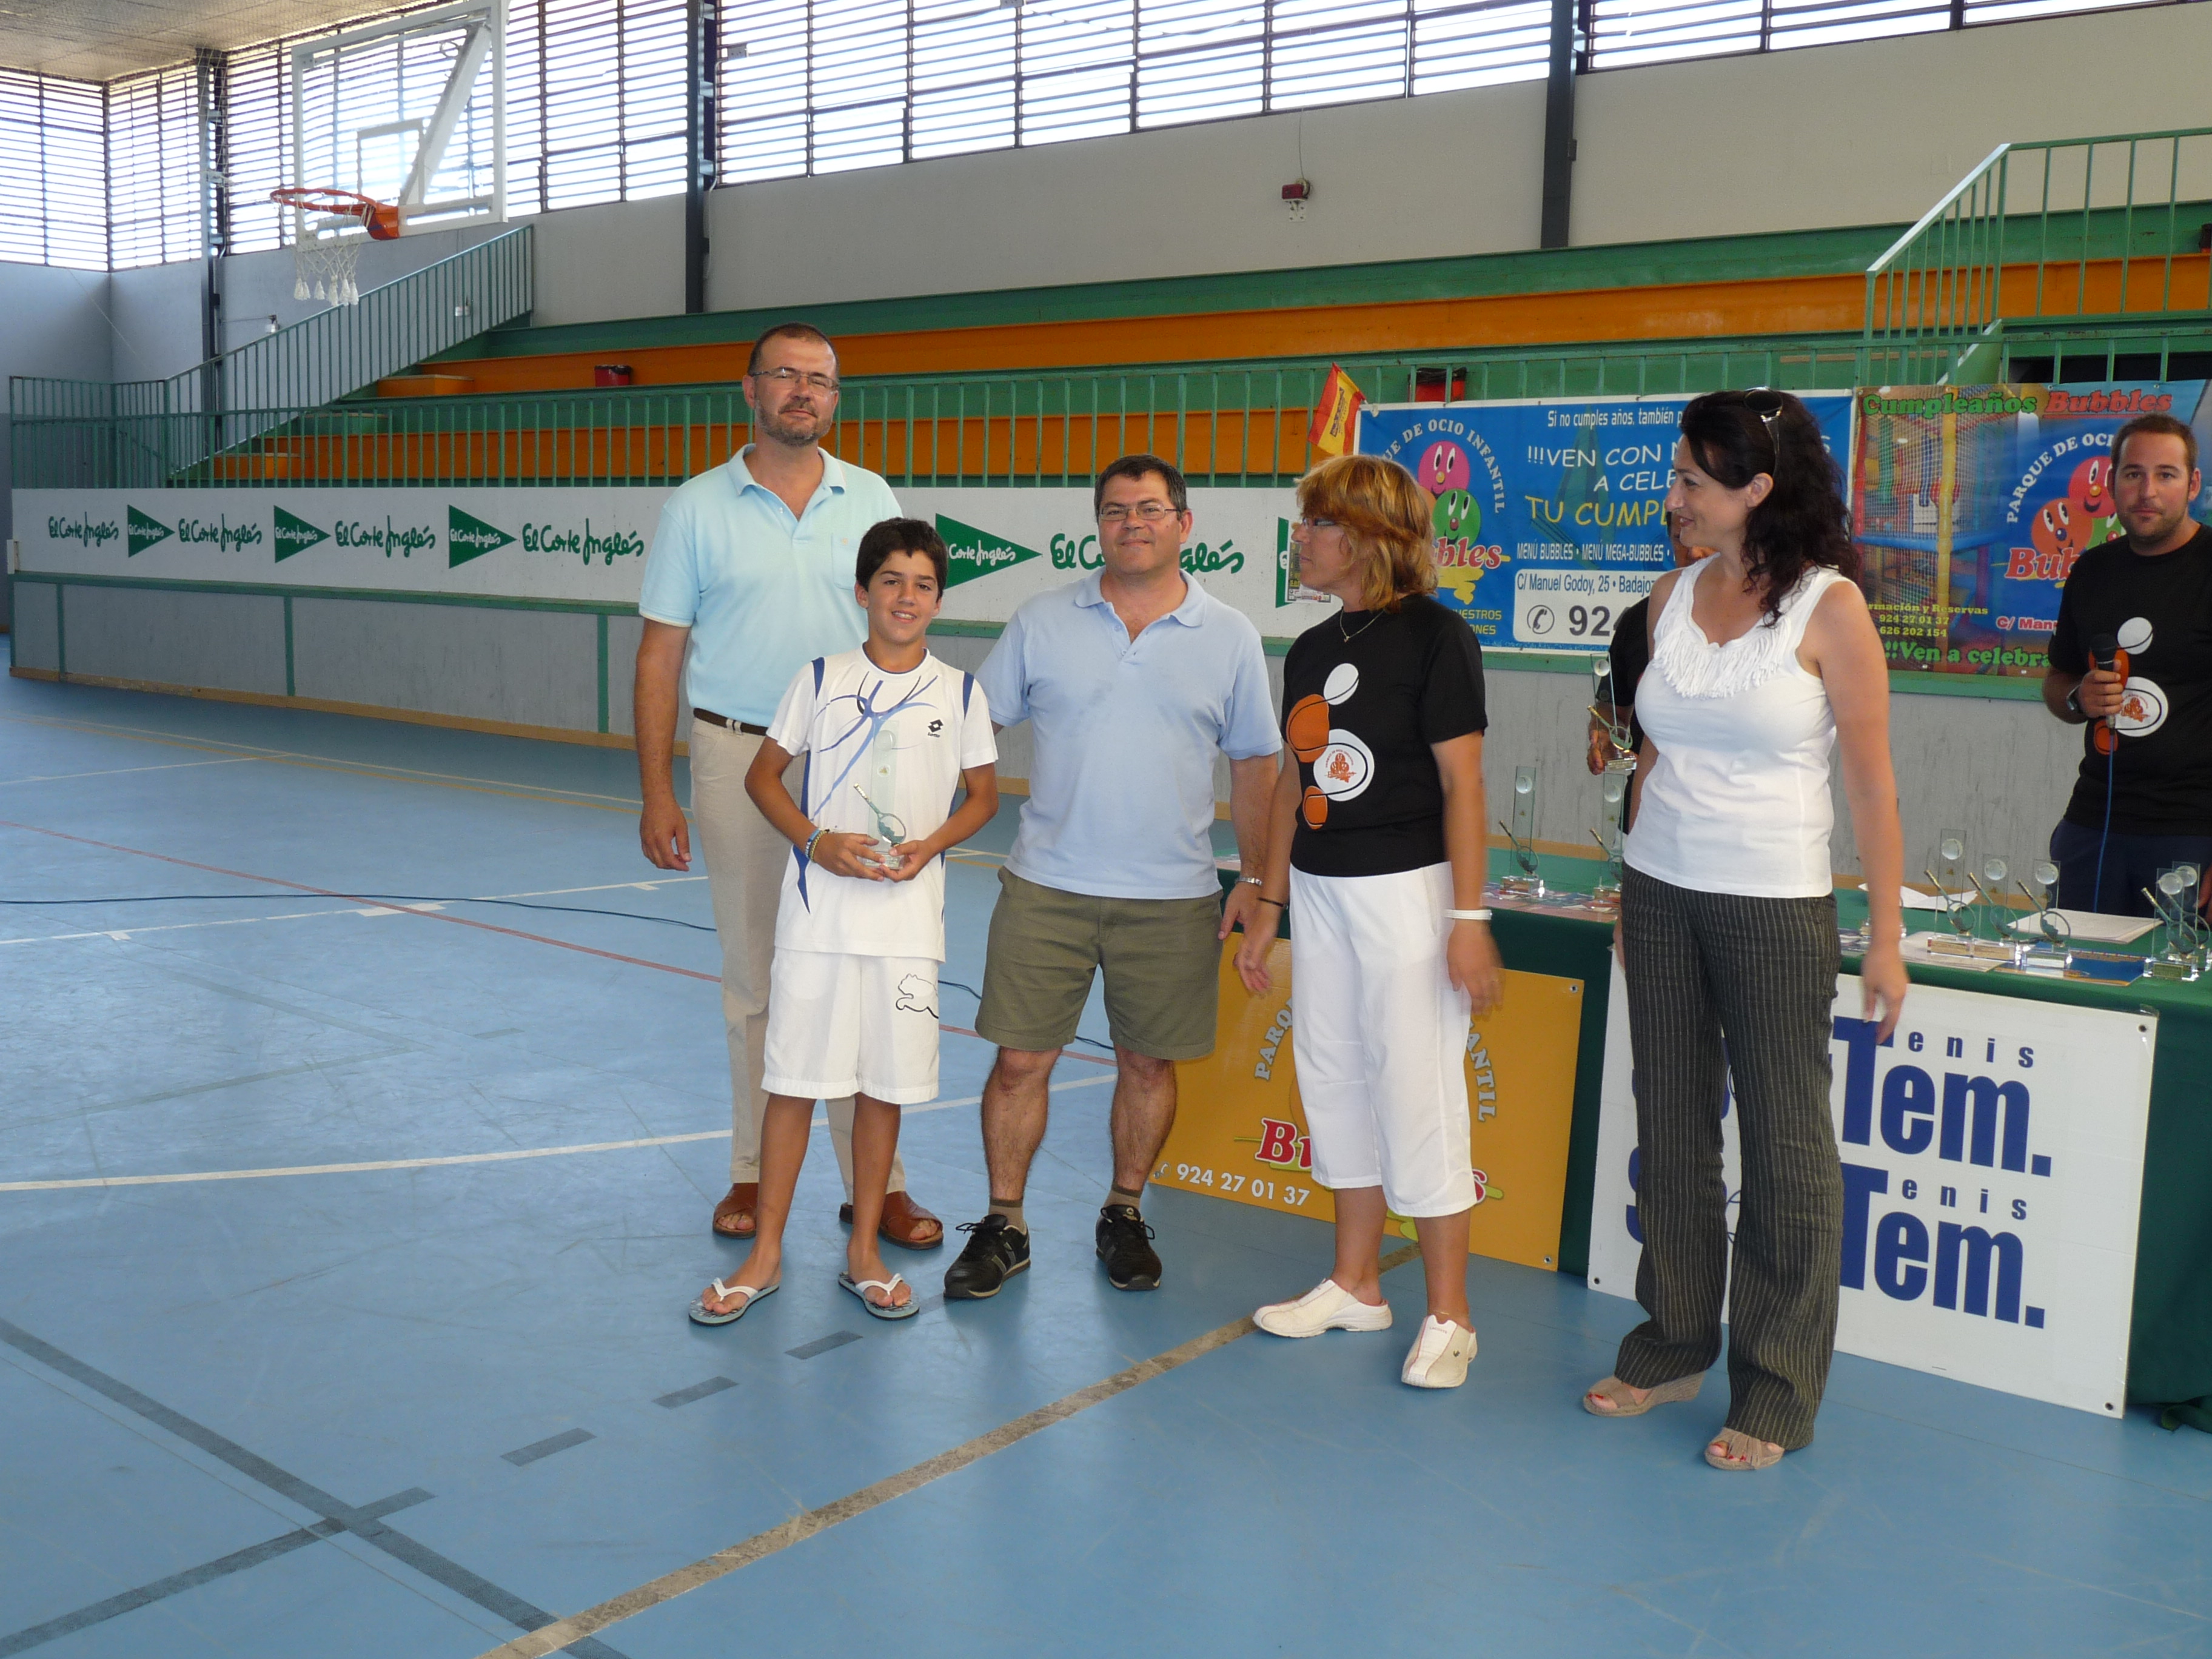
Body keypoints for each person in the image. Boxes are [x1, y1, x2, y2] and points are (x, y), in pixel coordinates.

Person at [1585, 389, 1906, 1471]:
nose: (1672, 496)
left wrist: (1885, 935)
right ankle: (1672, 1341)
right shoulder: (1666, 597)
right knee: (1671, 1127)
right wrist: (1628, 888)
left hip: (1774, 904)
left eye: (1691, 480)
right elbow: (1649, 758)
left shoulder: (1830, 608)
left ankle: (1774, 1387)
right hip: (1660, 892)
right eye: (1675, 476)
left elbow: (1872, 786)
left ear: (1756, 489)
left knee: (1785, 1147)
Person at [635, 321, 945, 1253]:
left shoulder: (872, 496)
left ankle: (878, 1185)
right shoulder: (697, 507)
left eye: (821, 379)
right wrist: (658, 791)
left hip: (859, 761)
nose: (804, 391)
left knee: (865, 972)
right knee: (758, 978)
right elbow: (660, 655)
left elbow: (903, 630)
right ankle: (751, 1170)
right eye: (786, 375)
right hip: (738, 759)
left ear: (835, 398)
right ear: (751, 389)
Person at [941, 454, 1281, 1299]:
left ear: (1184, 524)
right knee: (1019, 1063)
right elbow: (970, 728)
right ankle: (1005, 1224)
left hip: (1172, 898)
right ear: (1098, 525)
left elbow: (1255, 766)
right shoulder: (1041, 620)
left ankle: (1124, 1212)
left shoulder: (1230, 635)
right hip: (1046, 887)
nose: (1133, 523)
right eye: (1116, 510)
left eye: (1151, 509)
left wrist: (1256, 879)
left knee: (1149, 1067)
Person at [1233, 454, 1503, 1390]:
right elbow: (1293, 784)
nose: (1300, 539)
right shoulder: (1311, 648)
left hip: (1409, 894)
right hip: (1320, 892)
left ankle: (1451, 1316)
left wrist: (1467, 919)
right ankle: (1356, 1284)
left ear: (1364, 538)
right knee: (1333, 1075)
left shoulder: (1438, 637)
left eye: (1316, 524)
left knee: (1417, 1092)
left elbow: (1464, 786)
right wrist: (1270, 905)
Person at [691, 520, 998, 1324]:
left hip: (906, 929)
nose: (906, 597)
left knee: (882, 1088)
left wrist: (931, 844)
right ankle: (765, 1256)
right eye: (891, 580)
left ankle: (863, 1251)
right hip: (818, 923)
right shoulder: (821, 678)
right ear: (863, 592)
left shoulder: (961, 692)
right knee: (794, 1082)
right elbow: (764, 778)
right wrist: (816, 843)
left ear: (940, 601)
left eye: (923, 584)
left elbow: (984, 797)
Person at [2042, 413, 2212, 916]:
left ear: (2193, 484)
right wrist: (2079, 697)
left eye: (2166, 475)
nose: (2148, 492)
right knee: (2073, 965)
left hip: (2193, 835)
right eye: (2134, 474)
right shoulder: (2092, 570)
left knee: (2179, 970)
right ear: (2112, 481)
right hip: (2092, 825)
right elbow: (2058, 681)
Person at [1587, 511, 1711, 774]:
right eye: (1681, 538)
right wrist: (1606, 736)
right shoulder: (1640, 618)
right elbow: (1611, 708)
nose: (1694, 552)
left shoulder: (1763, 621)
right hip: (1648, 789)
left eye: (1706, 537)